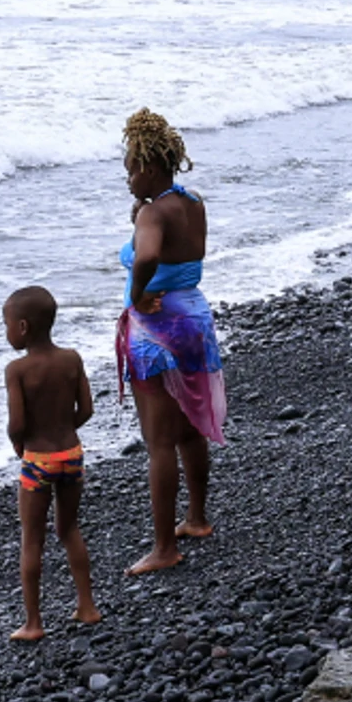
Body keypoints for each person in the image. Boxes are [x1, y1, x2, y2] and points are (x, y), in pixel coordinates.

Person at [116, 108, 225, 576]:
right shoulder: (192, 201)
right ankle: (196, 518)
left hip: (158, 328)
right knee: (189, 429)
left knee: (159, 442)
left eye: (130, 168)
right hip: (194, 317)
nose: (127, 177)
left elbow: (148, 257)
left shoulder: (153, 212)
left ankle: (163, 548)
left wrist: (138, 296)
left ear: (151, 165)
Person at [2, 285, 100, 642]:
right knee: (69, 528)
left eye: (7, 325)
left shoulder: (17, 369)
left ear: (23, 327)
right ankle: (87, 606)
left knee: (32, 539)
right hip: (72, 455)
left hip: (38, 461)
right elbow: (86, 409)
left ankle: (33, 623)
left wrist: (20, 443)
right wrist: (62, 432)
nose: (7, 332)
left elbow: (17, 423)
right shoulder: (72, 358)